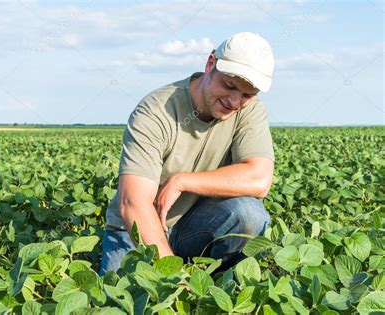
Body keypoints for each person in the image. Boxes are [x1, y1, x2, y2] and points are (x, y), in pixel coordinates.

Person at [99, 32, 275, 275]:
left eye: (247, 94)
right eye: (229, 85)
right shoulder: (155, 111)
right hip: (137, 228)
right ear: (210, 64)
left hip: (195, 226)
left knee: (249, 215)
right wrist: (174, 276)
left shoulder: (250, 109)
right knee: (120, 304)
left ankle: (216, 287)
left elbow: (259, 179)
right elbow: (134, 204)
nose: (234, 101)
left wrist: (182, 181)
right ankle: (187, 277)